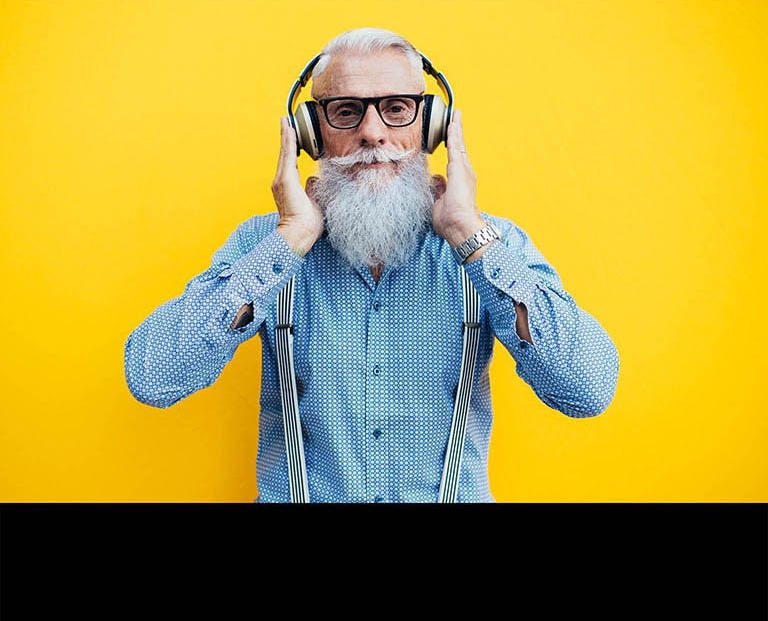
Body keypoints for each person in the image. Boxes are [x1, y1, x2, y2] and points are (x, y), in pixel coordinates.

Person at [124, 26, 619, 503]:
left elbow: (587, 387)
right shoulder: (265, 245)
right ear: (312, 134)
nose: (372, 134)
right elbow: (153, 377)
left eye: (397, 109)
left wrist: (470, 235)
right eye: (345, 112)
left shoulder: (492, 244)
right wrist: (289, 239)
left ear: (432, 127)